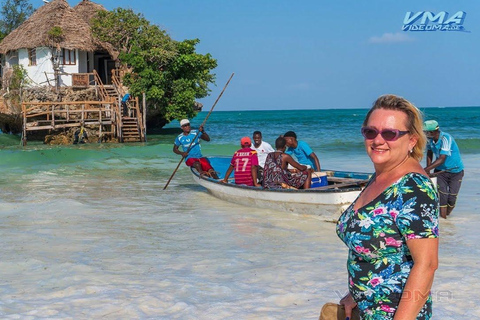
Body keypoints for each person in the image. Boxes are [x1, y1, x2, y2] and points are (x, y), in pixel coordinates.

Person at [337, 94, 439, 319]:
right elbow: (384, 253)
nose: (378, 140)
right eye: (371, 132)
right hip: (365, 310)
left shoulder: (413, 187)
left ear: (412, 140)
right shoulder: (382, 176)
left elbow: (427, 264)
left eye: (390, 133)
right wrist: (356, 293)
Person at [423, 120, 464, 219]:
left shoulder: (446, 138)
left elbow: (442, 159)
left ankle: (448, 218)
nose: (423, 134)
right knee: (443, 196)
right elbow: (429, 153)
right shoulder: (430, 140)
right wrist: (428, 171)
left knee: (452, 199)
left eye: (425, 132)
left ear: (432, 132)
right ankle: (444, 220)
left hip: (456, 171)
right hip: (440, 172)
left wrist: (425, 169)